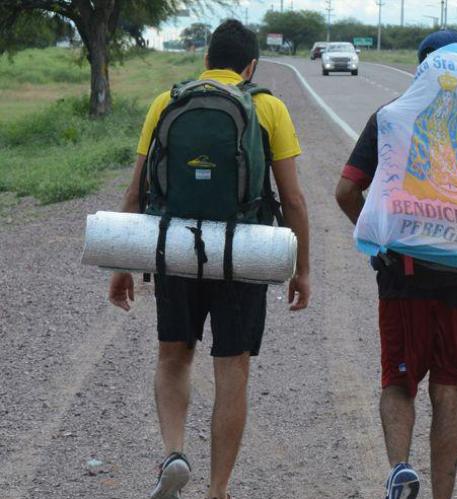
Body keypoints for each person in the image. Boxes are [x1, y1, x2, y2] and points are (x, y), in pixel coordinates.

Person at [107, 19, 311, 499]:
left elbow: (137, 191)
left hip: (176, 247)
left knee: (173, 355)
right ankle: (218, 490)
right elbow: (295, 199)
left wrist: (121, 264)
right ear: (251, 65)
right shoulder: (268, 107)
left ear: (205, 60)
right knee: (232, 366)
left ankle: (175, 451)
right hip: (244, 253)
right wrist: (301, 269)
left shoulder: (166, 101)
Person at [335, 30, 457, 499]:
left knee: (398, 381)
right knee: (448, 389)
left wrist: (384, 236)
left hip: (403, 276)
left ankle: (400, 471)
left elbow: (346, 191)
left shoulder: (390, 118)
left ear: (422, 68)